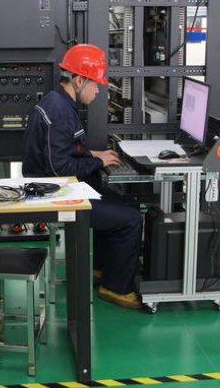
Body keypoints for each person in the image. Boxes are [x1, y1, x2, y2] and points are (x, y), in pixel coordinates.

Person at [22, 44, 143, 309]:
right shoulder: (60, 111)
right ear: (79, 80)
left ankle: (102, 269)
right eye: (96, 84)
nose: (98, 91)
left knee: (128, 204)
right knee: (131, 219)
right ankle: (116, 288)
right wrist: (96, 161)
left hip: (55, 184)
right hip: (53, 192)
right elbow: (59, 168)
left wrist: (92, 153)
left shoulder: (59, 102)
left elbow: (61, 150)